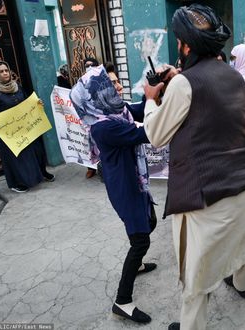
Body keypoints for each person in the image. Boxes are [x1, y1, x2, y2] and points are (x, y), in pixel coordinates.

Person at [143, 4, 245, 329]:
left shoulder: (184, 85)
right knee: (241, 239)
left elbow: (156, 136)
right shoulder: (235, 76)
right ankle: (241, 285)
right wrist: (180, 77)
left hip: (209, 196)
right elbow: (208, 97)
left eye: (179, 41)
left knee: (196, 275)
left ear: (185, 45)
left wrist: (150, 98)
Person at [70, 64, 157, 324]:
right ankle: (123, 301)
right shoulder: (103, 127)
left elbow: (140, 110)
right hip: (125, 187)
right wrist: (153, 98)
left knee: (149, 222)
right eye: (111, 85)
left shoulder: (116, 111)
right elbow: (147, 132)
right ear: (98, 94)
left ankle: (137, 263)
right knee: (140, 240)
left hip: (134, 181)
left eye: (117, 82)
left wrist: (151, 92)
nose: (118, 87)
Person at [0, 61, 54, 193]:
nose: (5, 73)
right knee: (16, 157)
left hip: (25, 127)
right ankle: (16, 183)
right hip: (8, 131)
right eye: (1, 71)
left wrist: (37, 103)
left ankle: (42, 172)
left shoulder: (16, 86)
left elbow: (27, 102)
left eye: (6, 70)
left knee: (37, 150)